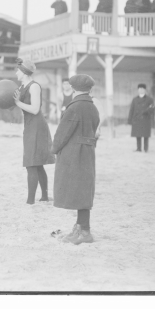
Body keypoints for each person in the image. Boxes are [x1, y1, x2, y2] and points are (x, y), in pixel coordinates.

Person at [51, 74, 100, 245]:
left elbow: (63, 133)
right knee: (84, 191)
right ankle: (82, 228)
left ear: (73, 89)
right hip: (88, 152)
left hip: (73, 153)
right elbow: (95, 131)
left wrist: (54, 149)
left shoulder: (73, 107)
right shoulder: (93, 107)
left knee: (76, 190)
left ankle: (84, 231)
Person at [12, 58, 53, 205]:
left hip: (36, 125)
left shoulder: (34, 86)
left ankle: (30, 201)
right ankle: (44, 197)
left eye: (18, 70)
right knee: (37, 163)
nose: (16, 72)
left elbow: (35, 109)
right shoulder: (23, 86)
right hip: (30, 125)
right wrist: (14, 103)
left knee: (31, 163)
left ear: (23, 72)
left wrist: (18, 103)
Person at [127, 84, 155, 152]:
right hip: (137, 119)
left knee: (146, 135)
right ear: (138, 90)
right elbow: (131, 109)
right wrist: (130, 119)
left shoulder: (149, 99)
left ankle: (146, 149)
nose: (141, 90)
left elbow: (152, 108)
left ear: (145, 90)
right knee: (138, 134)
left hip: (145, 119)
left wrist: (146, 111)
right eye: (139, 89)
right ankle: (138, 148)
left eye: (142, 89)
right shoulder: (134, 99)